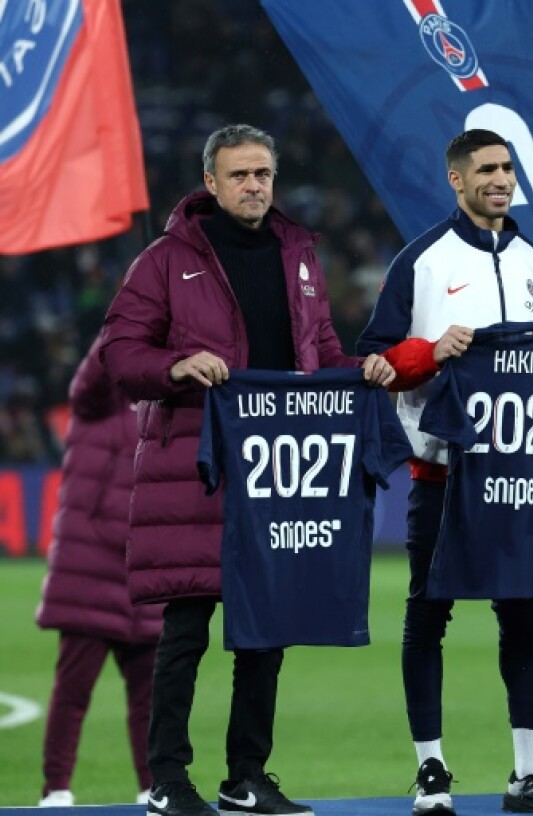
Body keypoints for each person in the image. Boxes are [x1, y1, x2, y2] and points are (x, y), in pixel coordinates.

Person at [99, 124, 396, 816]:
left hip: (275, 470)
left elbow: (321, 353)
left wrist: (366, 370)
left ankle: (247, 775)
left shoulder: (299, 254)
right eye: (239, 175)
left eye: (263, 173)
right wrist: (174, 365)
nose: (254, 186)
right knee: (186, 630)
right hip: (196, 470)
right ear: (210, 182)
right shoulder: (166, 259)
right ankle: (168, 780)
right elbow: (120, 352)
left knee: (267, 628)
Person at [356, 128, 533, 816]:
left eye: (507, 167)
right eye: (486, 168)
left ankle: (528, 774)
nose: (500, 178)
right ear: (456, 180)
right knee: (427, 617)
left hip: (521, 476)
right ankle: (431, 771)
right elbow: (374, 359)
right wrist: (432, 351)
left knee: (524, 618)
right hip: (444, 477)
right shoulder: (423, 261)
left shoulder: (531, 259)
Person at [35, 336, 163, 808]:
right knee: (72, 693)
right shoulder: (96, 404)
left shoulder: (165, 410)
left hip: (144, 579)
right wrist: (123, 325)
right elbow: (93, 373)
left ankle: (153, 788)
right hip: (89, 575)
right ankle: (57, 791)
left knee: (149, 701)